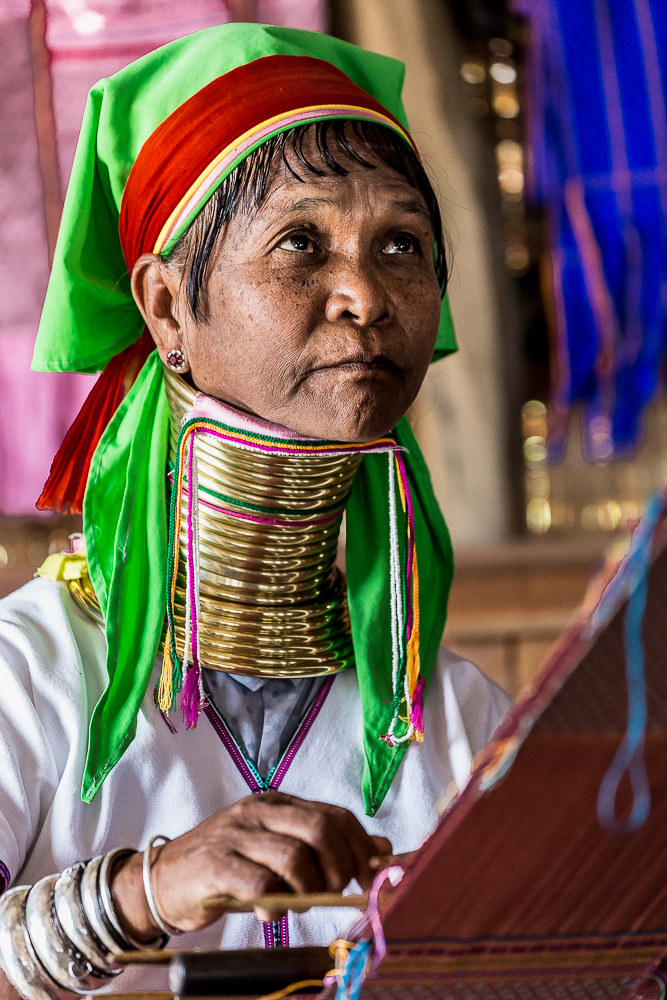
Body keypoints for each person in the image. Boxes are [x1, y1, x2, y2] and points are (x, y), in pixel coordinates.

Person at [0, 21, 510, 1000]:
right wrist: (141, 892)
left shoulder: (454, 718)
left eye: (400, 243)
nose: (363, 292)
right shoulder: (32, 676)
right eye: (300, 244)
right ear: (165, 309)